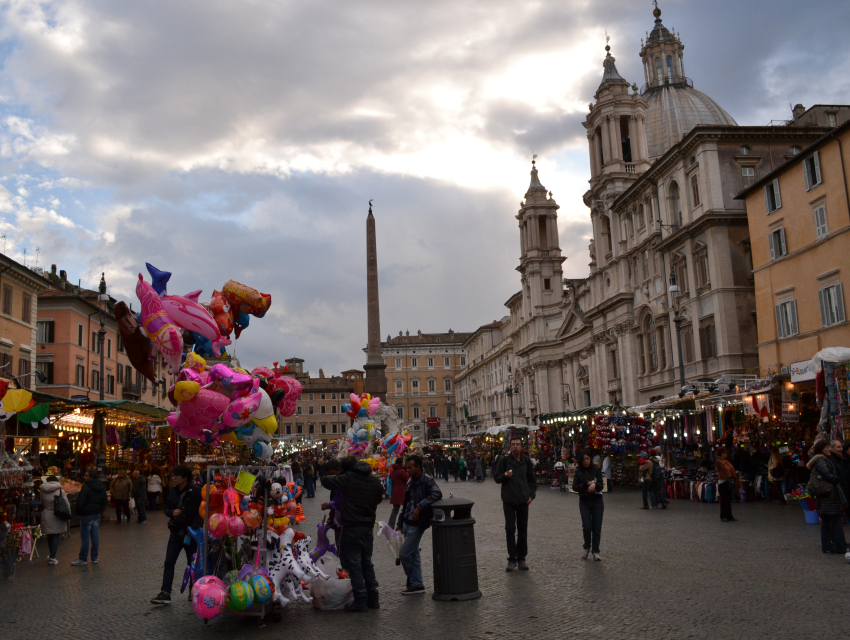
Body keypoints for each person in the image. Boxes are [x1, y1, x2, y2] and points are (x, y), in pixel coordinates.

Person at [321, 456, 383, 612]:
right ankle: (373, 598)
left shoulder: (348, 479)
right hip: (367, 527)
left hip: (352, 527)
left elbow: (326, 482)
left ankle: (361, 601)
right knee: (367, 562)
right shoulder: (374, 481)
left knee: (354, 564)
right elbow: (378, 500)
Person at [150, 465, 203, 604]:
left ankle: (194, 591)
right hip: (175, 532)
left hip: (189, 534)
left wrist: (193, 528)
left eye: (177, 475)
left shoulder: (196, 491)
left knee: (192, 563)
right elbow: (167, 508)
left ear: (185, 477)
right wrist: (171, 512)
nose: (174, 478)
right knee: (169, 562)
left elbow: (200, 513)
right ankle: (165, 592)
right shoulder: (172, 491)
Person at [397, 455, 442, 595]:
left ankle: (413, 579)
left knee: (404, 554)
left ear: (418, 467)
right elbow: (406, 504)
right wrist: (400, 522)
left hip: (417, 523)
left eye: (410, 468)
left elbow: (437, 494)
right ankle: (417, 584)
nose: (407, 470)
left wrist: (420, 507)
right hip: (407, 522)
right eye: (406, 467)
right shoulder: (410, 482)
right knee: (414, 554)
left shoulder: (427, 480)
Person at [494, 436, 537, 571]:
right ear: (510, 446)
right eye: (513, 444)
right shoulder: (504, 460)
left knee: (522, 530)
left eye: (517, 444)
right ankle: (512, 559)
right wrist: (504, 476)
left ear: (521, 447)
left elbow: (532, 481)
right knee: (510, 530)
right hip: (509, 500)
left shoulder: (526, 461)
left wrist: (531, 496)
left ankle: (521, 558)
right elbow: (496, 478)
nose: (515, 447)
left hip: (523, 501)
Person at [807, 440, 847, 555]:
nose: (829, 449)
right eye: (827, 447)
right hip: (828, 495)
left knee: (829, 521)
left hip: (828, 495)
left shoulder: (824, 460)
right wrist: (838, 479)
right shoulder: (822, 460)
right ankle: (835, 546)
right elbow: (827, 475)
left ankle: (830, 545)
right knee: (832, 520)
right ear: (821, 449)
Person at [572, 451, 604, 560]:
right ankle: (586, 547)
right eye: (584, 459)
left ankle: (596, 551)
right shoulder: (578, 471)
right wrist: (585, 484)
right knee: (587, 526)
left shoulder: (596, 470)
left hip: (597, 502)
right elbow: (575, 486)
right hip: (584, 502)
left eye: (588, 458)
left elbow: (601, 485)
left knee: (596, 527)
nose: (586, 461)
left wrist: (595, 484)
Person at [72, 468, 108, 566]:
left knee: (85, 538)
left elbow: (80, 502)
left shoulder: (86, 487)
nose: (84, 477)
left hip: (87, 514)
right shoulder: (101, 486)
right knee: (95, 536)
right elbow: (104, 501)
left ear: (91, 477)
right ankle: (94, 557)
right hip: (96, 514)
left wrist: (78, 512)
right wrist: (99, 510)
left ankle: (83, 558)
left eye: (86, 475)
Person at [39, 475, 69, 566]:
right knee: (56, 535)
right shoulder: (61, 491)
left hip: (47, 513)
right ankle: (53, 556)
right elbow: (66, 504)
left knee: (49, 535)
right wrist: (68, 515)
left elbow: (41, 502)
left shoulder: (42, 491)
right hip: (57, 514)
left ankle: (51, 555)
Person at [715, 447, 737, 522]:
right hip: (722, 481)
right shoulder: (719, 462)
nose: (726, 454)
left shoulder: (726, 461)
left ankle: (729, 515)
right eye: (725, 452)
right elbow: (727, 470)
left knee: (728, 499)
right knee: (724, 500)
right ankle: (723, 515)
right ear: (722, 453)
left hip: (727, 481)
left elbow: (730, 469)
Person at [387, 457, 410, 529]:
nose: (404, 463)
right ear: (400, 463)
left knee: (395, 510)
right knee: (406, 509)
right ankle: (404, 524)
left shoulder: (393, 471)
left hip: (395, 491)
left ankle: (390, 525)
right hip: (402, 491)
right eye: (403, 461)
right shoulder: (402, 471)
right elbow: (407, 480)